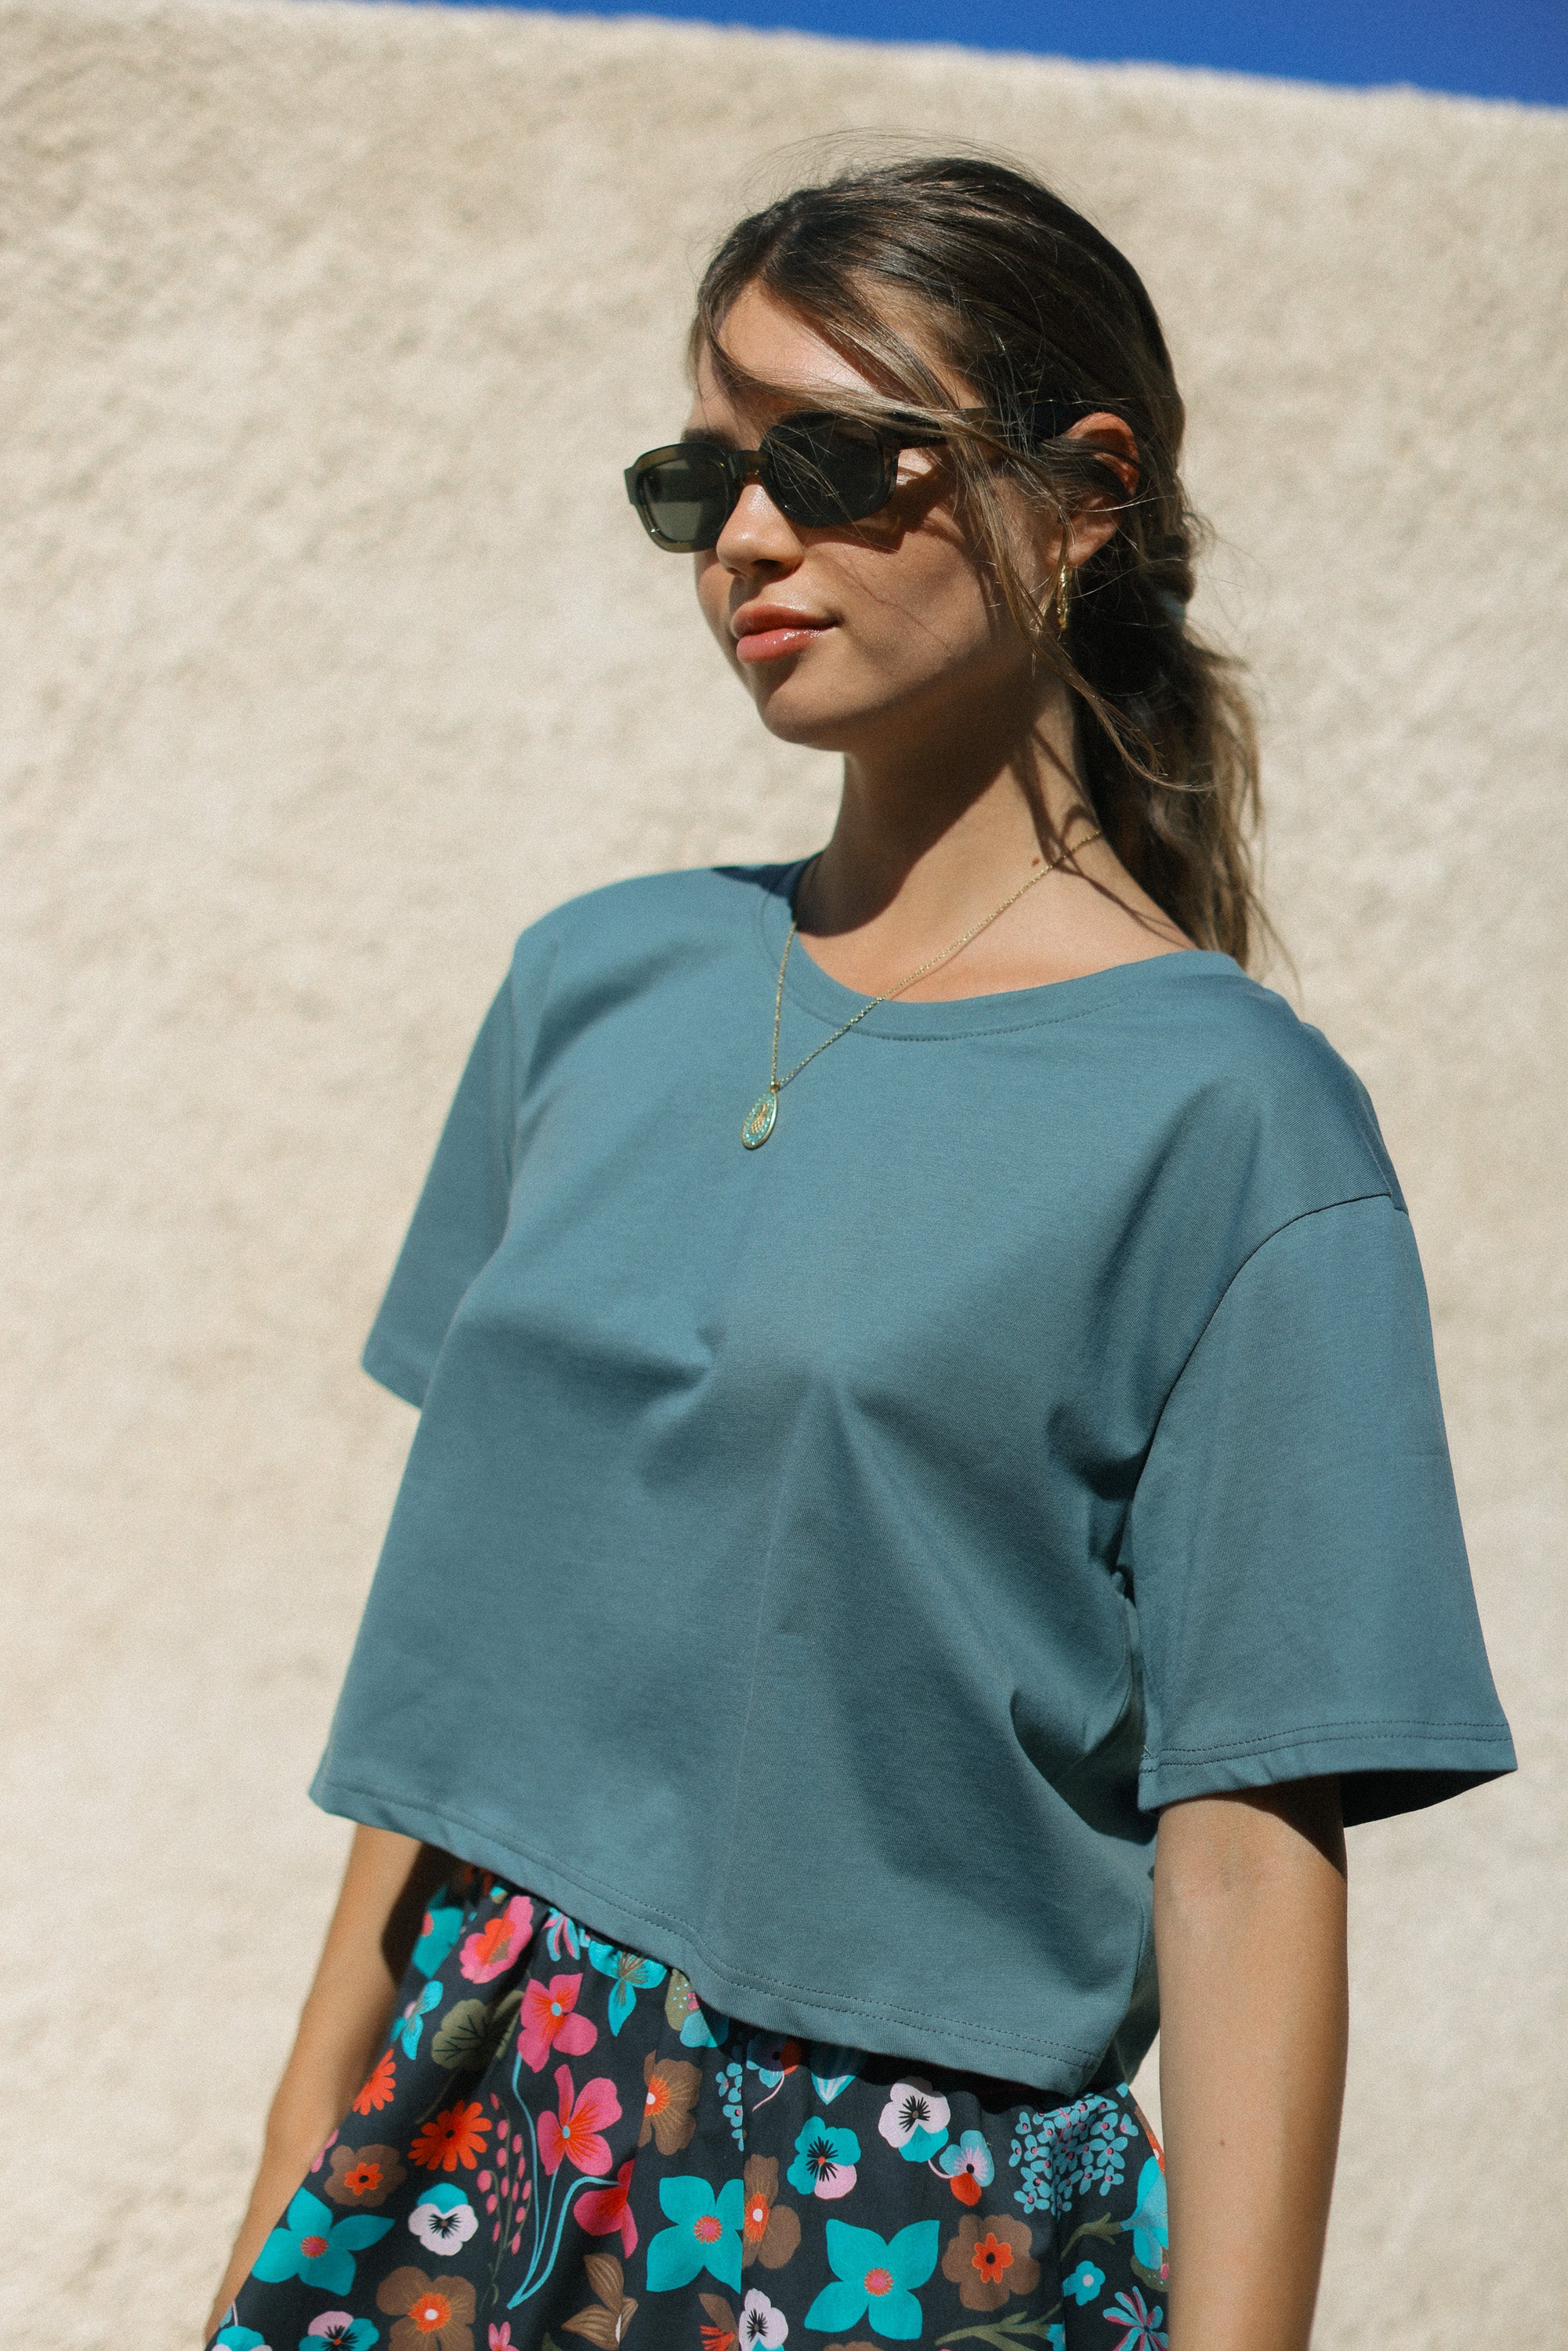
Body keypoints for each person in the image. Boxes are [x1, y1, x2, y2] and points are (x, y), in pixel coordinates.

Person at [205, 156, 1514, 2351]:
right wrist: (284, 2182)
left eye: (824, 461)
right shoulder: (589, 990)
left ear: (1079, 499)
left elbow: (1244, 1841)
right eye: (695, 482)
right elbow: (468, 1699)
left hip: (888, 2228)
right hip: (457, 2145)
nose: (743, 538)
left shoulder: (1231, 1118)